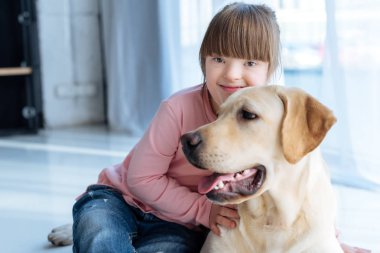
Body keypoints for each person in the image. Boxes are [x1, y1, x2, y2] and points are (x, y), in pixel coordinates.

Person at [72, 3, 370, 253]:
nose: (232, 73)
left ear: (269, 70)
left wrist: (333, 241)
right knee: (99, 232)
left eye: (250, 62)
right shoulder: (177, 108)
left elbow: (306, 184)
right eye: (218, 59)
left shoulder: (278, 112)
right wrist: (204, 211)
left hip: (177, 220)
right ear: (203, 60)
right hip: (122, 199)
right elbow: (140, 178)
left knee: (171, 249)